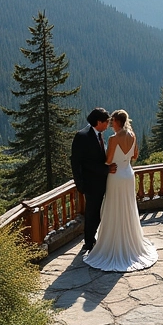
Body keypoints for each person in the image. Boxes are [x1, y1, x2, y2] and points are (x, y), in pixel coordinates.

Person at [84, 109, 158, 272]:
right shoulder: (132, 135)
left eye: (112, 122)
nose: (110, 124)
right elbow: (135, 155)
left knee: (114, 207)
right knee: (128, 207)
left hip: (116, 175)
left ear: (118, 122)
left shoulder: (113, 138)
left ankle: (114, 241)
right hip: (128, 174)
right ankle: (129, 240)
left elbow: (108, 160)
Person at [70, 107, 115, 251]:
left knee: (101, 211)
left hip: (103, 181)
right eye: (106, 122)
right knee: (92, 213)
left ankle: (99, 238)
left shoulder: (99, 135)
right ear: (98, 122)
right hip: (91, 184)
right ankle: (88, 242)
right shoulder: (82, 136)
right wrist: (80, 185)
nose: (108, 125)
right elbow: (78, 162)